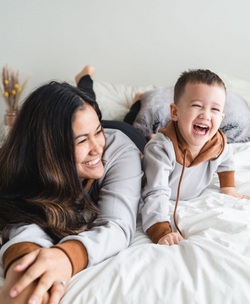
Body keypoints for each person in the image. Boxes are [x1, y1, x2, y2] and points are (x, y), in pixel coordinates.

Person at [0, 69, 143, 304]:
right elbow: (21, 222)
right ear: (49, 150)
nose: (97, 147)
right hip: (74, 134)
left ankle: (132, 101)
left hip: (129, 135)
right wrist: (22, 264)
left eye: (97, 133)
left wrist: (67, 256)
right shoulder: (23, 167)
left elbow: (118, 225)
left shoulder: (116, 149)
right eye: (82, 140)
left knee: (129, 120)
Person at [141, 69, 250, 247]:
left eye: (214, 109)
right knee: (139, 137)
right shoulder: (161, 150)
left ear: (221, 118)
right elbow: (155, 192)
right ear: (175, 112)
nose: (206, 115)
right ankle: (139, 102)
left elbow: (228, 158)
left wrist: (229, 188)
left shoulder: (218, 143)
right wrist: (161, 231)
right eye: (197, 105)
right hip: (156, 152)